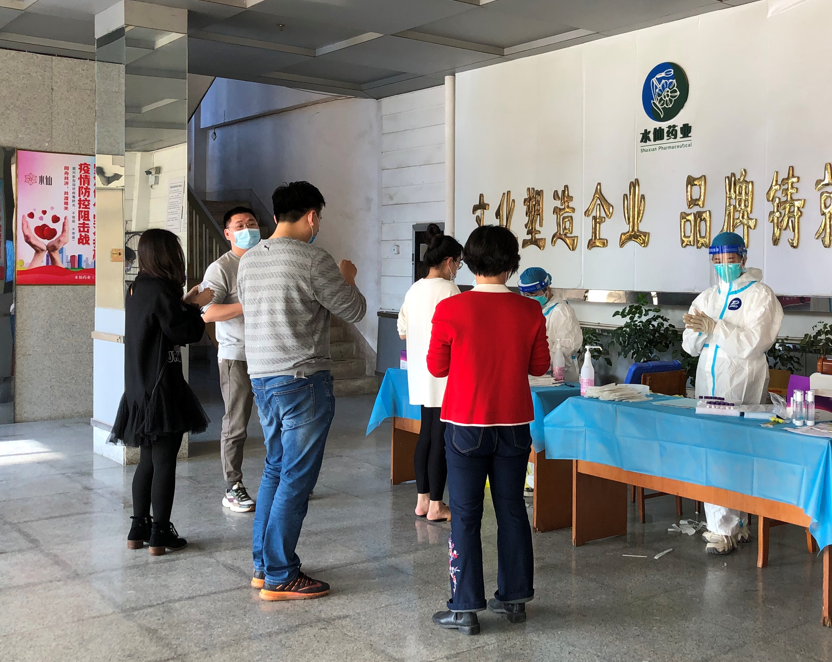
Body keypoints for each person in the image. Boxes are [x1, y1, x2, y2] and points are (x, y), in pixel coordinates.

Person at [238, 181, 366, 601]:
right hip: (302, 381)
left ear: (276, 216)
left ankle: (263, 566)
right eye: (320, 218)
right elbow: (354, 309)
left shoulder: (248, 261)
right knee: (296, 477)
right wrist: (348, 279)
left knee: (275, 469)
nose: (319, 225)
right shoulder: (314, 259)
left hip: (262, 379)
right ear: (312, 216)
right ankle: (280, 573)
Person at [427, 225, 550, 635]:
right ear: (512, 265)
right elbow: (539, 366)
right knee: (512, 508)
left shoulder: (451, 308)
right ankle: (514, 599)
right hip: (514, 424)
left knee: (465, 514)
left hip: (465, 423)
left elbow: (437, 367)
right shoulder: (530, 311)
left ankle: (464, 608)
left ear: (469, 262)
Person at [110, 229, 213, 555]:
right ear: (167, 255)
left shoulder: (136, 288)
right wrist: (195, 308)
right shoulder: (161, 289)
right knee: (165, 462)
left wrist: (183, 303)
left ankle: (138, 529)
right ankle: (160, 533)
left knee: (147, 461)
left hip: (139, 388)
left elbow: (157, 323)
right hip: (162, 387)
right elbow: (182, 332)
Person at [682, 231, 783, 555]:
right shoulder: (708, 297)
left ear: (743, 258)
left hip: (741, 381)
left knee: (734, 452)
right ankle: (728, 526)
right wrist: (699, 331)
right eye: (717, 260)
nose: (723, 265)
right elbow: (689, 345)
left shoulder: (760, 295)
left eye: (729, 259)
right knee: (715, 452)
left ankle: (728, 527)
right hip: (708, 383)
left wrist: (716, 328)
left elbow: (754, 343)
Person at [397, 224, 462, 522]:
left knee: (426, 433)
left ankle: (422, 501)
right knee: (440, 437)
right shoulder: (449, 290)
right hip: (443, 373)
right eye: (458, 263)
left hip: (419, 372)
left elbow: (402, 331)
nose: (457, 269)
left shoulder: (414, 289)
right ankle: (436, 505)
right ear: (448, 262)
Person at [201, 206, 261, 513]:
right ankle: (233, 486)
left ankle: (282, 480)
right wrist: (246, 306)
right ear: (227, 233)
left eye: (251, 223)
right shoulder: (221, 268)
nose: (247, 228)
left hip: (270, 354)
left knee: (277, 421)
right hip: (237, 356)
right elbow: (207, 312)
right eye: (240, 225)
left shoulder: (265, 260)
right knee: (236, 424)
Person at [517, 267, 583, 383]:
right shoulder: (530, 311)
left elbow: (565, 348)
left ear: (547, 289)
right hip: (534, 376)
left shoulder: (561, 311)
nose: (530, 298)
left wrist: (538, 364)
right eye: (526, 295)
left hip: (558, 377)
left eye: (533, 294)